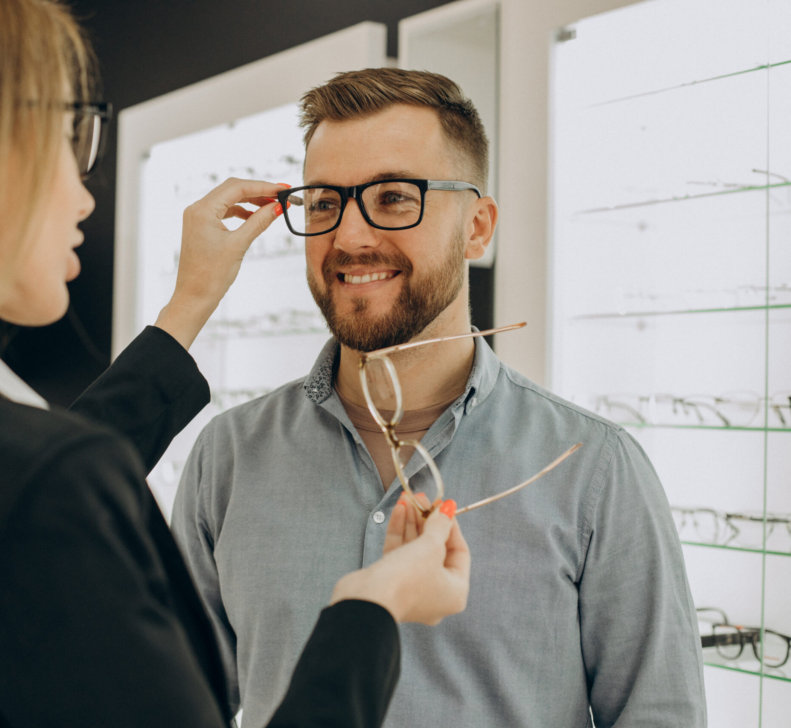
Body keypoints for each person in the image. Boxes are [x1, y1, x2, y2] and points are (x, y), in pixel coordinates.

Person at [0, 4, 472, 728]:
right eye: (69, 136)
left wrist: (188, 303)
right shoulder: (65, 478)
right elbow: (32, 492)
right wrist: (371, 610)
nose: (82, 193)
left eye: (391, 198)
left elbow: (9, 491)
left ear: (476, 225)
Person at [172, 68, 708, 728]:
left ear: (478, 227)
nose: (350, 237)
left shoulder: (594, 470)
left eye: (394, 197)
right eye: (322, 203)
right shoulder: (227, 458)